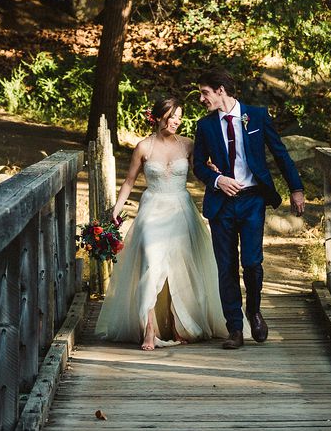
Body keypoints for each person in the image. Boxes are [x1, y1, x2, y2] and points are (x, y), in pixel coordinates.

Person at [95, 96, 228, 350]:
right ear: (158, 118)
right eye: (171, 116)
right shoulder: (144, 147)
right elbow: (129, 181)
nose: (176, 121)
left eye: (179, 116)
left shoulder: (188, 144)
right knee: (151, 263)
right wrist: (117, 209)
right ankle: (149, 328)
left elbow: (202, 174)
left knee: (180, 264)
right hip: (152, 209)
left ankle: (179, 324)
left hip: (180, 208)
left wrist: (217, 177)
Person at [191, 69, 305, 350]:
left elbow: (280, 153)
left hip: (253, 200)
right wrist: (218, 180)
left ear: (220, 90)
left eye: (205, 93)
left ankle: (254, 311)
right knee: (226, 266)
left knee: (252, 263)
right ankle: (235, 329)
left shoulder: (256, 115)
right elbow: (197, 165)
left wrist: (296, 188)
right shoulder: (205, 126)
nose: (202, 99)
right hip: (221, 204)